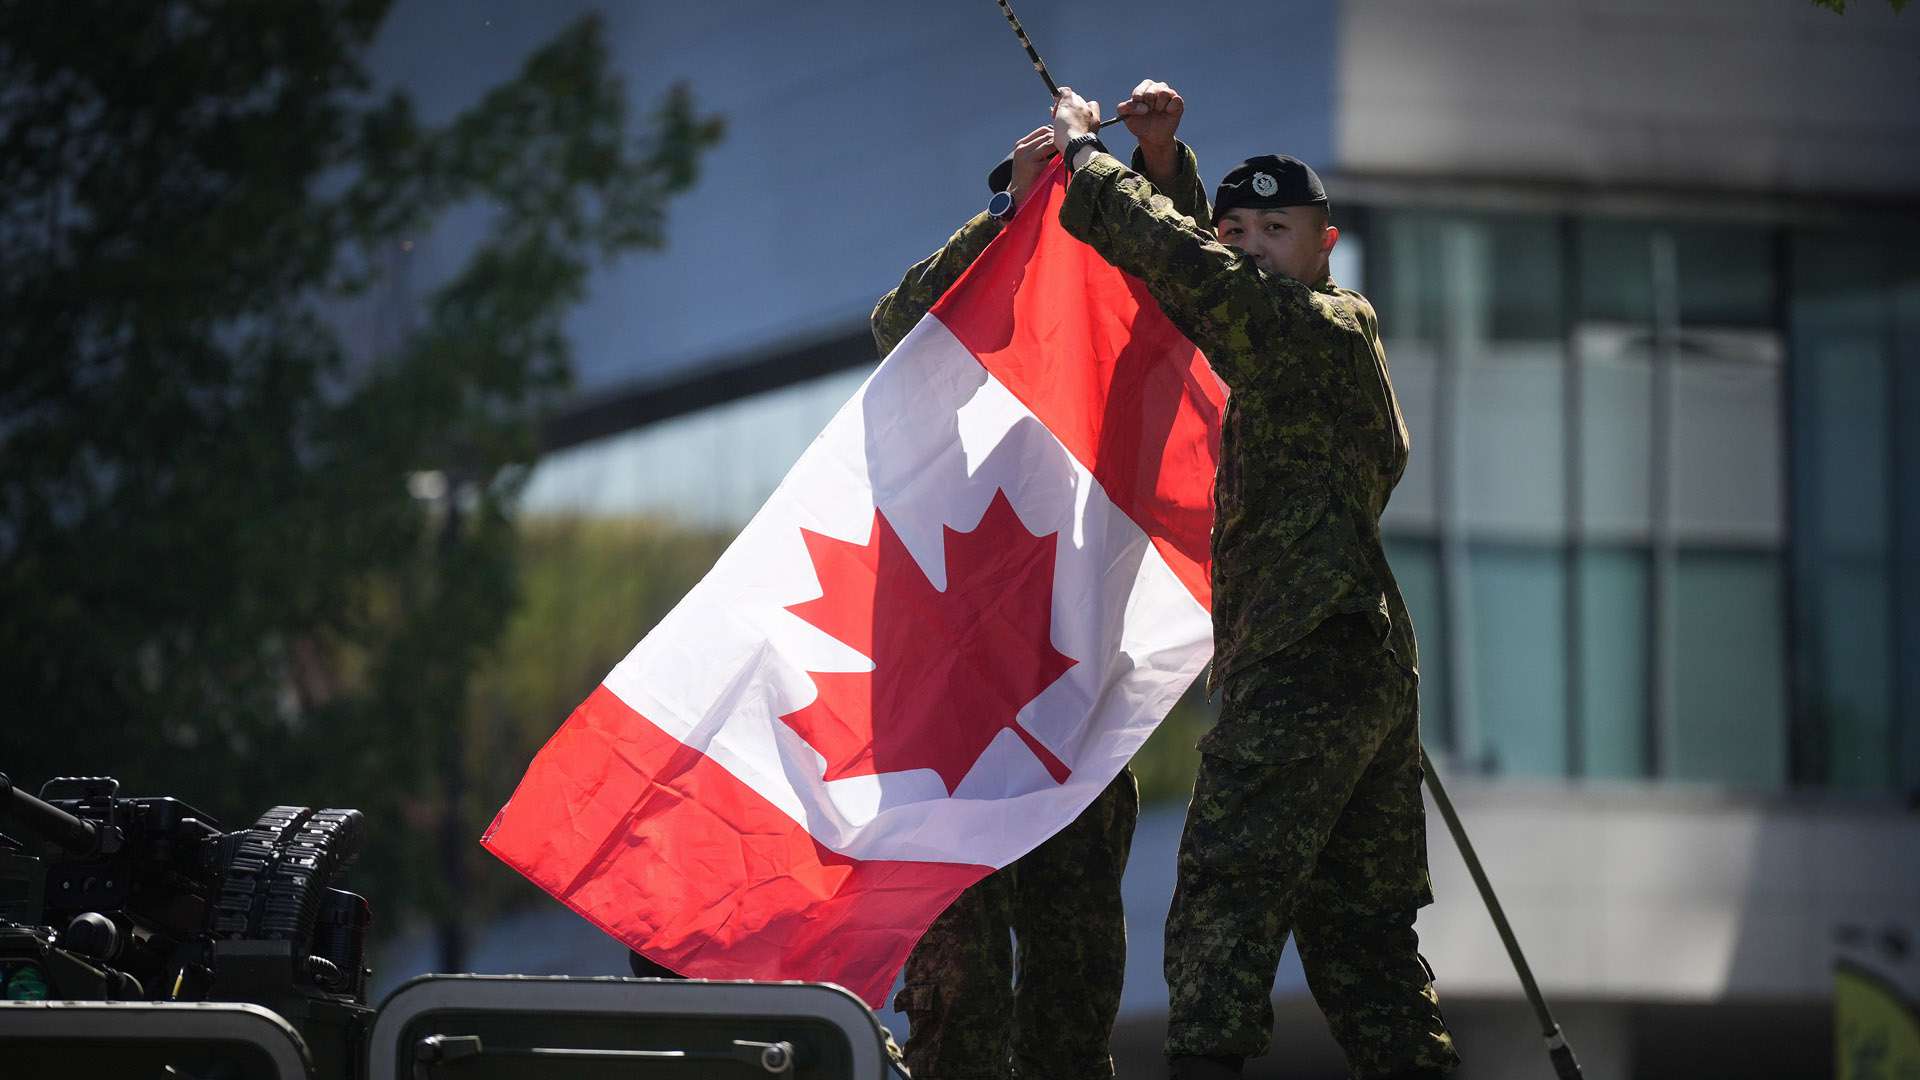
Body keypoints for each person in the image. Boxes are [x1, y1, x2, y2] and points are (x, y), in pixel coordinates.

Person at [1047, 84, 1461, 1080]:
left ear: (1324, 246)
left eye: (1279, 228)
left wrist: (1086, 161)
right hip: (1357, 669)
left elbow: (1197, 274)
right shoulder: (1292, 341)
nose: (1255, 243)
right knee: (1360, 942)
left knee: (1225, 897)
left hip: (1301, 663)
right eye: (1241, 228)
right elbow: (1202, 277)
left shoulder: (1317, 331)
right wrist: (1162, 162)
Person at [869, 93, 1209, 1080]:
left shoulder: (1111, 393)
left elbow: (1185, 302)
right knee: (961, 1006)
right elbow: (900, 327)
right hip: (951, 746)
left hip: (1067, 726)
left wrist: (1155, 166)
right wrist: (1007, 216)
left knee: (1074, 992)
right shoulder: (944, 374)